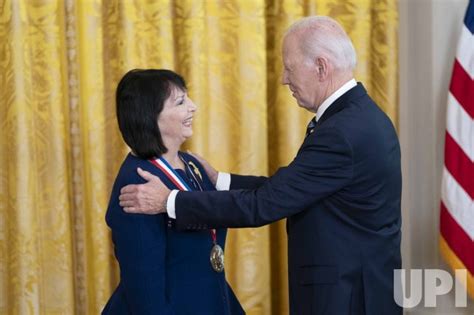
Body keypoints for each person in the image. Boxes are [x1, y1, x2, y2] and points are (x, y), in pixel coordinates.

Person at [119, 16, 402, 315]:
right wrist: (221, 180)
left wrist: (168, 201)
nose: (283, 78)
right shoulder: (357, 117)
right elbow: (293, 188)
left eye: (289, 68)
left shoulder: (342, 131)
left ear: (321, 67)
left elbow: (266, 203)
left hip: (347, 297)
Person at [102, 69, 244, 315]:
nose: (193, 107)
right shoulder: (138, 183)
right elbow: (145, 291)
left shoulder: (193, 165)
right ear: (150, 116)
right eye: (180, 102)